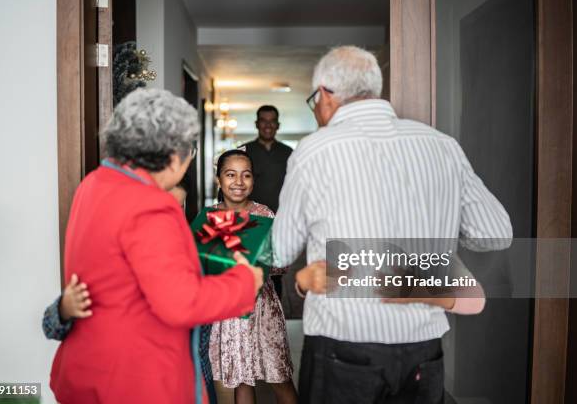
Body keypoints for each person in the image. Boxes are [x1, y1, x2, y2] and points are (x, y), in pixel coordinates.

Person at [273, 46, 512, 403]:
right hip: (423, 348)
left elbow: (280, 250)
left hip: (344, 344)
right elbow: (496, 233)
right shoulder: (443, 146)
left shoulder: (314, 150)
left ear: (325, 94)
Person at [50, 89, 263, 404]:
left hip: (89, 371)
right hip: (136, 380)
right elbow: (181, 303)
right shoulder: (151, 205)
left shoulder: (93, 184)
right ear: (173, 152)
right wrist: (245, 283)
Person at [208, 149, 297, 404]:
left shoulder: (264, 214)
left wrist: (264, 259)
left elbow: (281, 263)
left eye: (245, 175)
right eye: (230, 175)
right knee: (242, 379)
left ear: (253, 181)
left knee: (279, 375)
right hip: (230, 310)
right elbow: (202, 264)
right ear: (219, 179)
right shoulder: (211, 218)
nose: (238, 182)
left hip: (263, 309)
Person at [242, 105, 292, 299]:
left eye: (272, 121)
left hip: (280, 224)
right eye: (264, 120)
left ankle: (274, 314)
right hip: (251, 222)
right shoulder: (245, 152)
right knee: (250, 271)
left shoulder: (289, 153)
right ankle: (249, 319)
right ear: (257, 124)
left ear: (278, 125)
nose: (268, 125)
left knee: (275, 274)